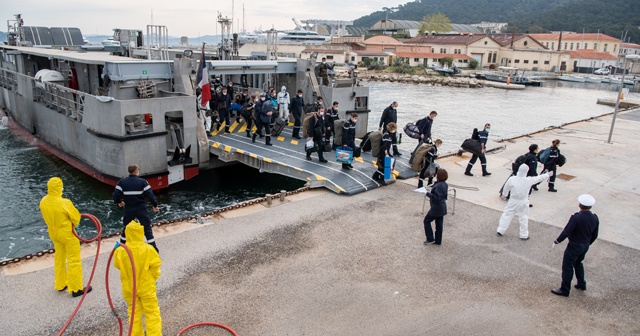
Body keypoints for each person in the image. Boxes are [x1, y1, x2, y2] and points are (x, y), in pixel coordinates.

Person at [40, 177, 92, 297]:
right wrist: (75, 225)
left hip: (53, 233)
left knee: (59, 258)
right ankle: (76, 288)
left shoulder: (43, 201)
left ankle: (61, 284)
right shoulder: (64, 202)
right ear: (59, 188)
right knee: (74, 260)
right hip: (67, 234)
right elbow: (76, 218)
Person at [114, 221, 162, 336]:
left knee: (134, 312)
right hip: (146, 286)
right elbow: (156, 267)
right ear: (141, 233)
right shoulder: (149, 249)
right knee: (152, 312)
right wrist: (153, 279)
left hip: (129, 287)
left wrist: (117, 250)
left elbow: (117, 265)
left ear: (127, 234)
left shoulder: (121, 251)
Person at [551, 194, 599, 297]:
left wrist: (557, 241)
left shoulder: (576, 217)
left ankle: (565, 289)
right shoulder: (595, 218)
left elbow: (566, 231)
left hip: (574, 245)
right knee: (579, 263)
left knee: (568, 267)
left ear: (579, 205)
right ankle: (581, 284)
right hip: (585, 245)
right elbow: (595, 235)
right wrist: (587, 243)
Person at [496, 164, 553, 240]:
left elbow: (506, 188)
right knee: (523, 218)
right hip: (523, 202)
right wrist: (547, 175)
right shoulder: (528, 180)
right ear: (526, 171)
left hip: (512, 200)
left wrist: (504, 195)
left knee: (506, 215)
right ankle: (524, 235)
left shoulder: (512, 179)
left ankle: (501, 230)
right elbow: (539, 178)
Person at [113, 164, 160, 252]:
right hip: (141, 208)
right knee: (147, 229)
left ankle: (121, 247)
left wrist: (119, 202)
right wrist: (155, 205)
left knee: (126, 227)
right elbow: (150, 195)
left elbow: (115, 195)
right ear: (136, 171)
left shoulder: (122, 182)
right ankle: (154, 249)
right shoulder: (143, 182)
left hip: (129, 209)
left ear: (129, 171)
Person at [423, 168, 449, 245]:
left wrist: (428, 193)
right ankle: (438, 240)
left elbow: (436, 197)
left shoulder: (438, 186)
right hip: (442, 207)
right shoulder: (445, 184)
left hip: (436, 208)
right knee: (439, 225)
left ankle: (430, 238)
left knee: (426, 221)